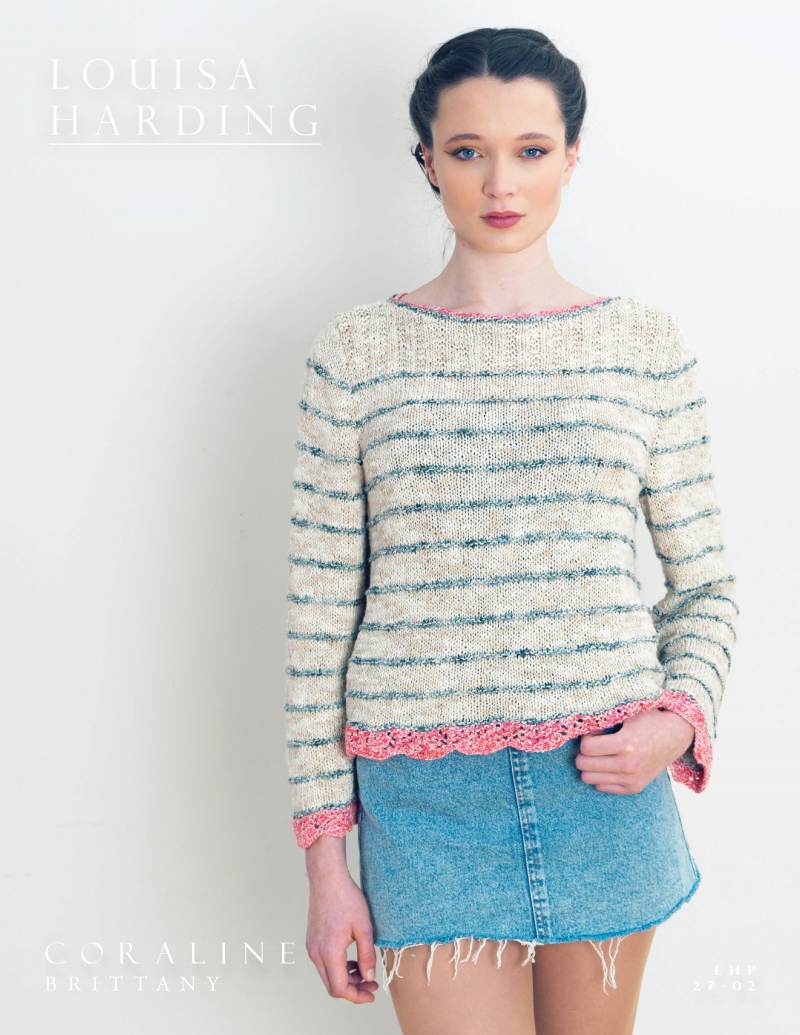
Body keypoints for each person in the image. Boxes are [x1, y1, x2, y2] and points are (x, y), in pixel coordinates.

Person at [283, 26, 738, 1035]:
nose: (500, 182)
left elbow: (705, 583)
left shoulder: (641, 346)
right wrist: (326, 865)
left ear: (571, 156)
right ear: (426, 160)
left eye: (530, 149)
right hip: (423, 805)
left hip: (605, 781)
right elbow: (318, 621)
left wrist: (677, 720)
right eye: (467, 150)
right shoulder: (356, 355)